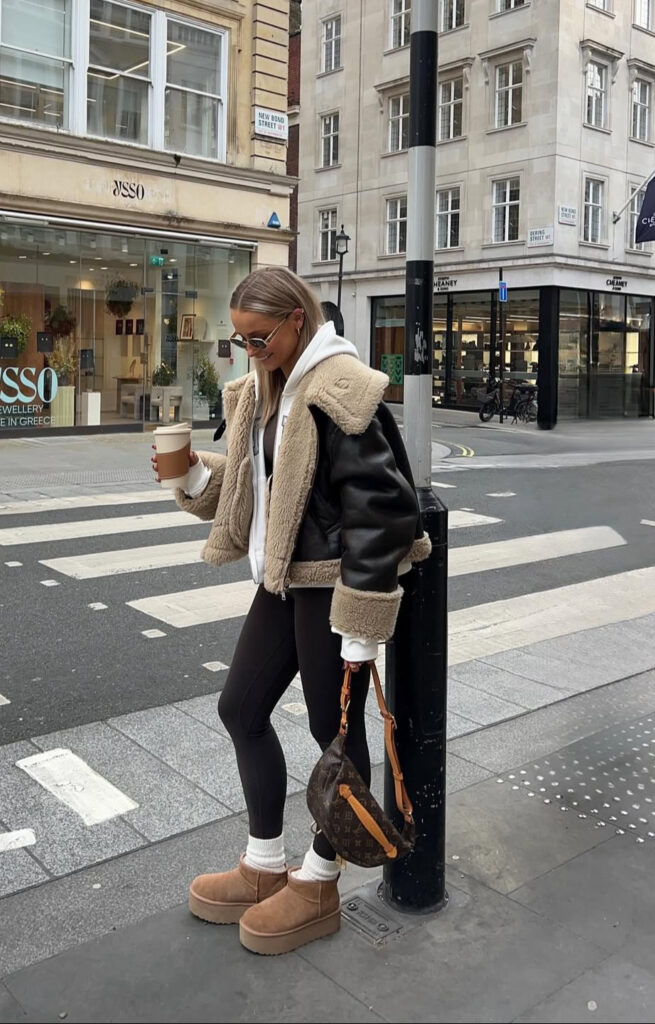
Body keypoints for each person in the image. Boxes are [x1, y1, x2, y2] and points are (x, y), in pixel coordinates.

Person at [151, 266, 429, 956]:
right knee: (240, 709)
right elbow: (262, 485)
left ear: (296, 321)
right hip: (282, 579)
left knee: (330, 730)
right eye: (241, 339)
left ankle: (320, 877)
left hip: (331, 586)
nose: (250, 349)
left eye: (260, 337)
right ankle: (264, 862)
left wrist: (362, 626)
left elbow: (385, 511)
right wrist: (190, 475)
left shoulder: (341, 391)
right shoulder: (267, 389)